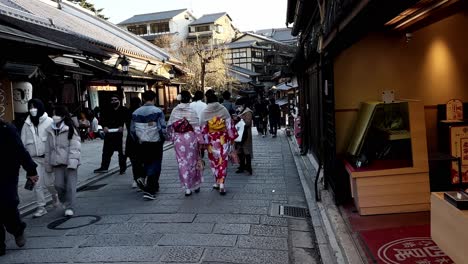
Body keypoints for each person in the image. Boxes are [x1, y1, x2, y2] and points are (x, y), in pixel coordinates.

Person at [0, 119, 38, 256]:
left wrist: (31, 169)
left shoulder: (6, 128)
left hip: (7, 173)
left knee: (8, 203)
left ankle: (17, 229)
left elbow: (19, 149)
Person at [20, 99, 58, 218]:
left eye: (34, 107)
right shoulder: (26, 124)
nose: (32, 109)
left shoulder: (49, 121)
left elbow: (56, 140)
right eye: (30, 107)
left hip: (47, 158)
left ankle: (55, 196)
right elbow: (22, 142)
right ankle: (41, 207)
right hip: (34, 160)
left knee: (50, 183)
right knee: (38, 184)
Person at [44, 105, 81, 217]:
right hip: (56, 162)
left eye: (57, 114)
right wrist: (48, 165)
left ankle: (70, 206)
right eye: (53, 114)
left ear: (63, 116)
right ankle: (65, 201)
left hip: (70, 162)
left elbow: (75, 146)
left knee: (70, 186)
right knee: (58, 185)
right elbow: (48, 149)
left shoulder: (70, 128)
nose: (54, 117)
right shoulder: (50, 130)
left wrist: (73, 162)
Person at [200, 89, 238, 195]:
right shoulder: (223, 109)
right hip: (223, 139)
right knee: (223, 161)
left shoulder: (205, 111)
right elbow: (229, 126)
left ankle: (217, 181)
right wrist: (231, 139)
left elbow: (203, 129)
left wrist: (204, 142)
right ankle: (221, 183)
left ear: (207, 100)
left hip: (212, 141)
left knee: (214, 162)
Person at [130, 91, 167, 200]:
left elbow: (132, 130)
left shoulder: (136, 112)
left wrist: (137, 140)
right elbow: (162, 128)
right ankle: (150, 189)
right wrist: (163, 138)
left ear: (143, 99)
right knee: (155, 164)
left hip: (142, 142)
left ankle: (145, 179)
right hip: (155, 142)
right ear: (154, 99)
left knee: (146, 161)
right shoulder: (158, 111)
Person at [168, 91, 204, 196]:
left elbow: (170, 126)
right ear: (189, 99)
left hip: (179, 139)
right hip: (191, 139)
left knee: (182, 162)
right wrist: (200, 140)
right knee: (192, 161)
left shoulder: (175, 110)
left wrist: (171, 138)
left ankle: (187, 187)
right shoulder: (191, 110)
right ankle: (195, 184)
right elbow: (196, 127)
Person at [94, 95, 129, 174]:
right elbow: (102, 120)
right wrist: (104, 126)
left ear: (119, 100)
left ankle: (122, 168)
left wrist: (123, 126)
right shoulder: (107, 110)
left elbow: (128, 120)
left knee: (122, 152)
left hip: (120, 134)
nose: (113, 101)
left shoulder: (124, 110)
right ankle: (104, 167)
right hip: (109, 134)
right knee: (106, 151)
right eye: (112, 100)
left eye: (115, 100)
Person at [125, 97, 143, 189]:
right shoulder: (141, 112)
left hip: (131, 140)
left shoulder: (128, 112)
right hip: (142, 139)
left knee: (134, 162)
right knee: (142, 160)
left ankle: (136, 179)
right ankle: (142, 178)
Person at [234, 97, 254, 175]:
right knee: (239, 149)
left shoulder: (248, 112)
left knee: (246, 150)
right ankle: (242, 166)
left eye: (239, 105)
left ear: (243, 104)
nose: (238, 107)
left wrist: (239, 118)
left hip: (245, 134)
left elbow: (248, 123)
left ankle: (248, 167)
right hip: (239, 133)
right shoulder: (241, 111)